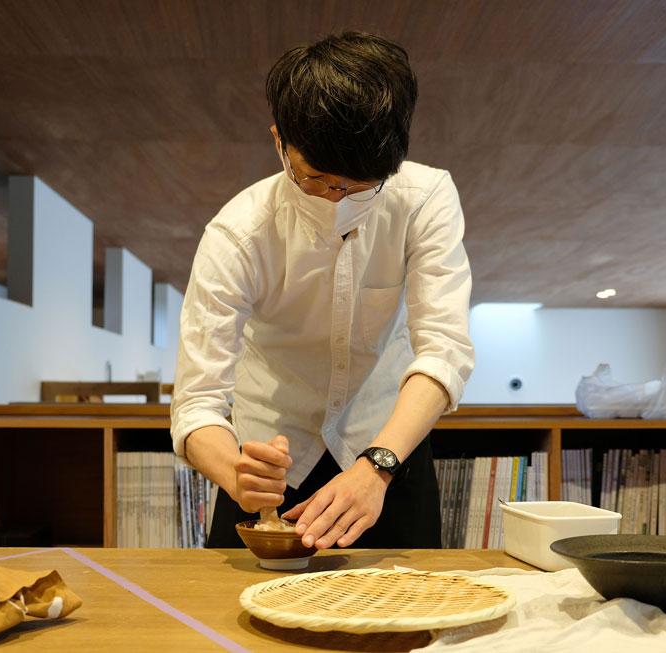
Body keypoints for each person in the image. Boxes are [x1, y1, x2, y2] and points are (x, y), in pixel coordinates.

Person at [170, 31, 474, 550]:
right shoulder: (238, 234)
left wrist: (377, 466)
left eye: (361, 186)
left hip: (389, 451)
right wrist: (233, 471)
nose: (338, 200)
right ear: (279, 142)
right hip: (269, 462)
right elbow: (196, 401)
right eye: (315, 179)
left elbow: (444, 348)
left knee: (412, 598)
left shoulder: (423, 198)